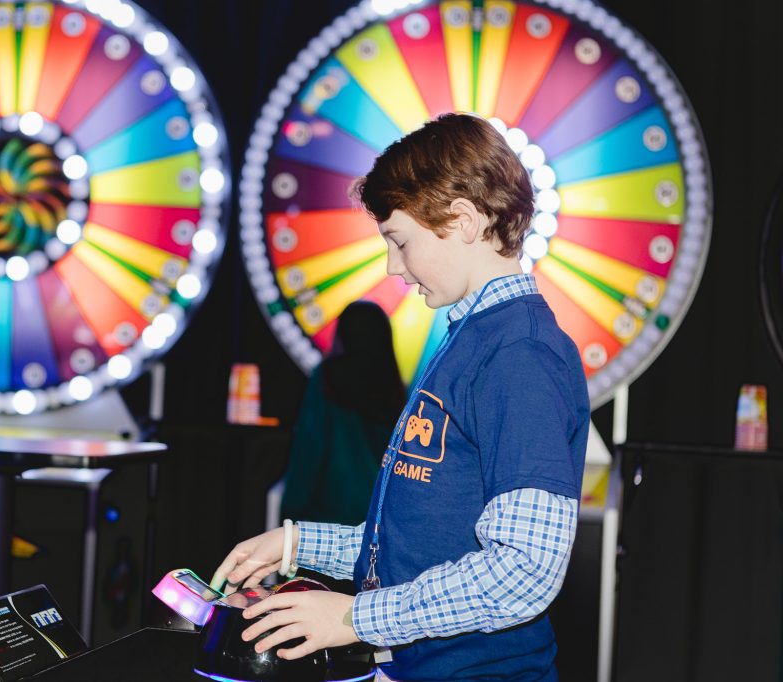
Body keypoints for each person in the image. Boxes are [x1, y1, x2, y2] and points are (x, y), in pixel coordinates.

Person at [211, 113, 590, 681]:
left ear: (462, 220)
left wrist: (355, 617)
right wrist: (297, 543)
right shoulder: (471, 338)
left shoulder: (521, 355)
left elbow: (523, 571)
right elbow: (418, 543)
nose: (394, 266)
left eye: (399, 240)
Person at [280, 300, 406, 525]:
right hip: (380, 513)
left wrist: (291, 509)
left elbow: (310, 446)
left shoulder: (328, 377)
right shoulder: (394, 385)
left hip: (330, 510)